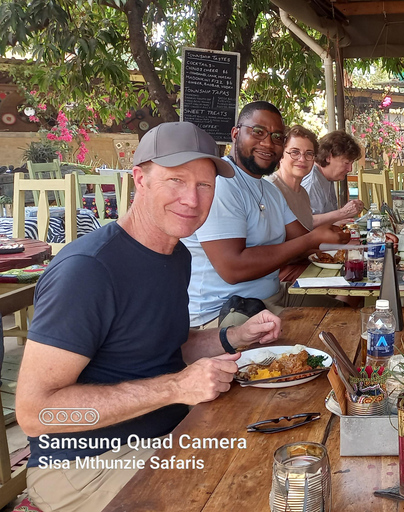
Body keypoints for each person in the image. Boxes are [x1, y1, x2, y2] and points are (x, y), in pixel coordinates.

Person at [16, 122, 283, 512]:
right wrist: (175, 388)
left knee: (281, 458)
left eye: (205, 185)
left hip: (169, 433)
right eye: (175, 180)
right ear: (139, 178)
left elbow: (161, 345)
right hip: (86, 465)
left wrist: (235, 337)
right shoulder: (88, 270)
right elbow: (36, 412)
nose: (192, 199)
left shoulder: (177, 255)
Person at [183, 102, 350, 327]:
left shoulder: (269, 190)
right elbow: (233, 268)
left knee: (348, 316)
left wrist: (367, 248)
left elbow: (304, 243)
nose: (268, 143)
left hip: (272, 297)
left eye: (277, 137)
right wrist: (313, 239)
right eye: (258, 132)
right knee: (335, 329)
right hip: (226, 312)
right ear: (235, 133)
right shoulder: (221, 185)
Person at [301, 130, 364, 226]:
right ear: (328, 157)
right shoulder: (312, 182)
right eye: (346, 163)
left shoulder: (326, 178)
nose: (350, 169)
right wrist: (343, 213)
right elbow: (305, 222)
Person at [266, 125, 317, 230]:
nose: (302, 159)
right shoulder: (270, 189)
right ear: (280, 155)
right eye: (295, 152)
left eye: (309, 153)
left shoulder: (303, 194)